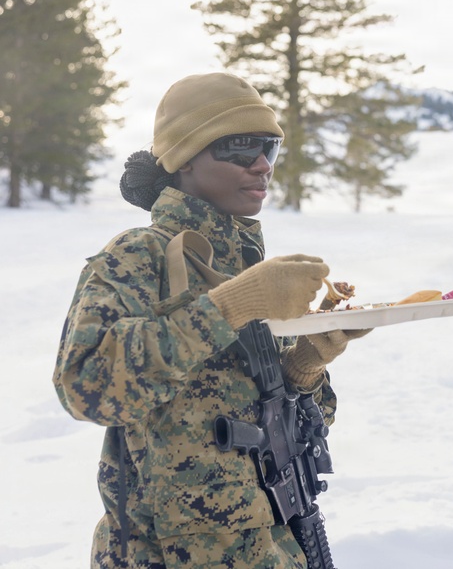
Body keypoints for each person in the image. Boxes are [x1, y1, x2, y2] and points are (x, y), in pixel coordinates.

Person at [53, 72, 369, 568]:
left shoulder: (247, 268)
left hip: (274, 548)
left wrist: (308, 363)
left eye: (269, 149)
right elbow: (85, 386)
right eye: (240, 149)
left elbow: (294, 426)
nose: (262, 166)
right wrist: (231, 307)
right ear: (185, 159)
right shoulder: (140, 256)